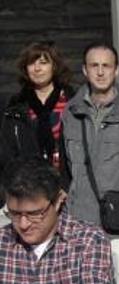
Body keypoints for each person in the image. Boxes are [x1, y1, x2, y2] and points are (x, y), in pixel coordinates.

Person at [62, 41, 119, 284]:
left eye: (106, 66)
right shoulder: (71, 113)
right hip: (81, 223)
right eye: (94, 65)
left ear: (117, 70)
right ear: (85, 70)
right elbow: (68, 168)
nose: (100, 72)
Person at [0, 158, 112, 284]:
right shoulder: (3, 241)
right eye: (15, 214)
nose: (24, 224)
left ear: (59, 200)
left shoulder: (88, 240)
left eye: (35, 213)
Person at [0, 41, 74, 186]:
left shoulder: (73, 103)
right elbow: (7, 154)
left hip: (68, 188)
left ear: (54, 66)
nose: (37, 68)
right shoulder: (15, 107)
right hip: (29, 189)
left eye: (43, 62)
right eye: (31, 63)